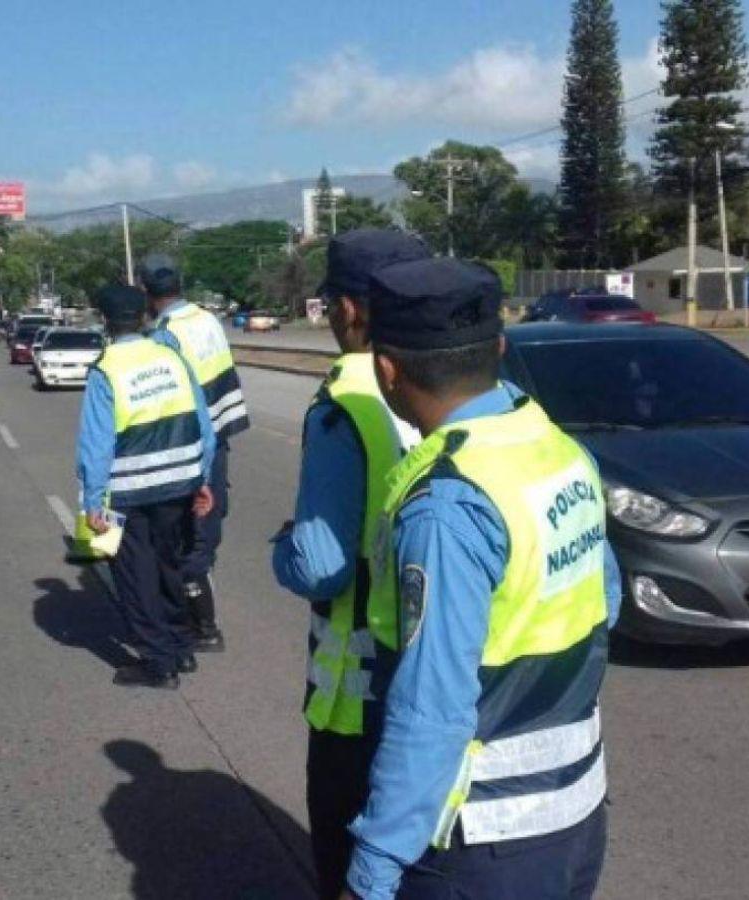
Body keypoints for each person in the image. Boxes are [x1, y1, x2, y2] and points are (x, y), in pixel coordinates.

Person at [344, 258, 622, 900]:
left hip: (482, 844)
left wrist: (373, 870)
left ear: (386, 370)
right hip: (576, 813)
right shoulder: (556, 449)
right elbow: (605, 604)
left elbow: (432, 709)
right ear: (498, 348)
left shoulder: (448, 501)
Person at [270, 229, 429, 900]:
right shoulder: (472, 387)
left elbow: (322, 568)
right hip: (452, 676)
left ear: (352, 310)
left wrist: (284, 549)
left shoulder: (345, 407)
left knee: (352, 865)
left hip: (359, 690)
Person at [76, 284, 216, 689]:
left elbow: (97, 446)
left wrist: (93, 502)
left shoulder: (106, 368)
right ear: (143, 318)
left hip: (128, 491)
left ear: (105, 321)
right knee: (169, 566)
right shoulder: (170, 357)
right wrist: (202, 480)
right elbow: (202, 425)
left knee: (136, 577)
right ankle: (181, 647)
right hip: (178, 485)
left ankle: (159, 662)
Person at [140, 254, 249, 653]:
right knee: (206, 532)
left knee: (189, 540)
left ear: (147, 292)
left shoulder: (167, 334)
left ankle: (202, 626)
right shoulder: (206, 319)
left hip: (194, 447)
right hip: (220, 437)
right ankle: (201, 617)